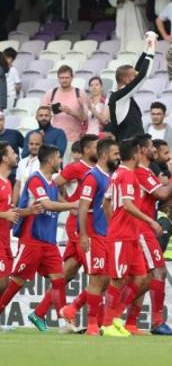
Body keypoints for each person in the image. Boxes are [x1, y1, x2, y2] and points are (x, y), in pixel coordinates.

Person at [0, 145, 76, 330]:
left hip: (49, 241)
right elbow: (48, 205)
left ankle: (65, 323)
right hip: (32, 239)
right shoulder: (35, 180)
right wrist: (74, 204)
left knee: (59, 279)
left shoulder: (50, 183)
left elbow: (55, 199)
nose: (61, 161)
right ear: (50, 160)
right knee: (17, 281)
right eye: (59, 157)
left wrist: (72, 206)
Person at [31, 135, 99, 330]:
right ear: (87, 150)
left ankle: (39, 312)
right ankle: (94, 319)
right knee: (99, 273)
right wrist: (68, 205)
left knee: (65, 274)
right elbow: (52, 186)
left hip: (91, 225)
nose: (99, 149)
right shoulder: (76, 168)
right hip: (79, 226)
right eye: (96, 147)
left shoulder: (98, 170)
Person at [101, 138, 162, 337]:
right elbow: (127, 204)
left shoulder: (118, 173)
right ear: (135, 154)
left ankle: (117, 319)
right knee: (117, 280)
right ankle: (107, 324)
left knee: (141, 277)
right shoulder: (126, 175)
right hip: (122, 236)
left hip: (131, 235)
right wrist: (150, 221)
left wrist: (113, 222)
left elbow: (106, 202)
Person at [65, 138, 120, 335]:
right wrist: (83, 235)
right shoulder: (92, 177)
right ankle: (92, 326)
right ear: (105, 155)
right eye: (115, 154)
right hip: (93, 235)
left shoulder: (110, 176)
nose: (118, 157)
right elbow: (83, 206)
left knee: (105, 280)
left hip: (106, 234)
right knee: (97, 280)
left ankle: (72, 308)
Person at [132, 134, 172, 335]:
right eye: (152, 147)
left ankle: (128, 321)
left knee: (143, 278)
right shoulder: (141, 173)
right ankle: (155, 322)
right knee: (158, 272)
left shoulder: (148, 173)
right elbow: (162, 194)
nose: (155, 150)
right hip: (142, 228)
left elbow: (161, 200)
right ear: (143, 150)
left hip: (146, 227)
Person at [108, 33, 156, 141]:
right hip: (128, 148)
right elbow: (143, 75)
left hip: (134, 146)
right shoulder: (117, 97)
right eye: (133, 77)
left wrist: (146, 48)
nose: (135, 78)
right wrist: (152, 47)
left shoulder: (122, 95)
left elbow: (138, 71)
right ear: (124, 79)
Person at [41, 65, 88, 161]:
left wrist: (71, 112)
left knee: (69, 169)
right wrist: (49, 110)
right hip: (54, 138)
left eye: (67, 77)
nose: (64, 80)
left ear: (72, 78)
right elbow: (41, 114)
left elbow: (84, 118)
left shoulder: (80, 93)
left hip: (72, 138)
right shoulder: (51, 93)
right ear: (58, 78)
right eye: (61, 78)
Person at [0, 143, 24, 297]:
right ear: (4, 157)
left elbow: (7, 210)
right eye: (13, 152)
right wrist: (5, 215)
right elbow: (5, 213)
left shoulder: (7, 182)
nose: (16, 155)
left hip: (5, 240)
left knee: (4, 285)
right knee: (2, 283)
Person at [13, 131, 43, 203]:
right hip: (22, 206)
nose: (34, 147)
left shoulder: (46, 162)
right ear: (27, 144)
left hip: (39, 206)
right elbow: (17, 185)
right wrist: (13, 205)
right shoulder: (22, 162)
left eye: (37, 144)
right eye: (31, 144)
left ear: (42, 145)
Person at [0, 111, 23, 182]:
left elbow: (27, 149)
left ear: (4, 120)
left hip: (14, 173)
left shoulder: (15, 134)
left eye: (0, 119)